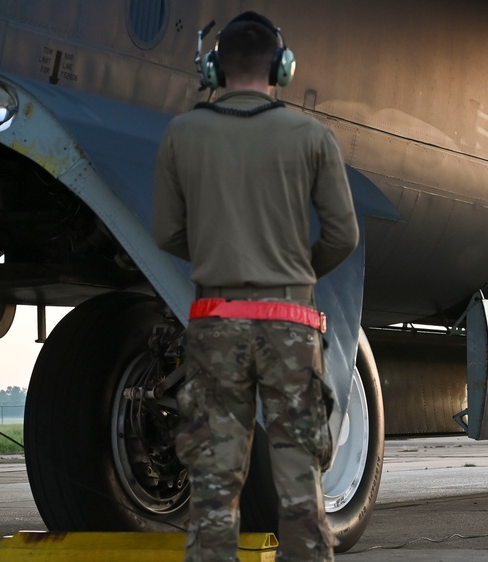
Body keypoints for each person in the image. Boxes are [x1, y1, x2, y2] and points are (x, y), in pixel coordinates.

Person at [153, 11, 358, 562]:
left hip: (216, 323)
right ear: (281, 69)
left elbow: (168, 232)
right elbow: (344, 234)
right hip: (290, 326)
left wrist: (222, 254)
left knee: (214, 492)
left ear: (214, 68)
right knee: (300, 491)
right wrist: (296, 272)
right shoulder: (313, 137)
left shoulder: (182, 134)